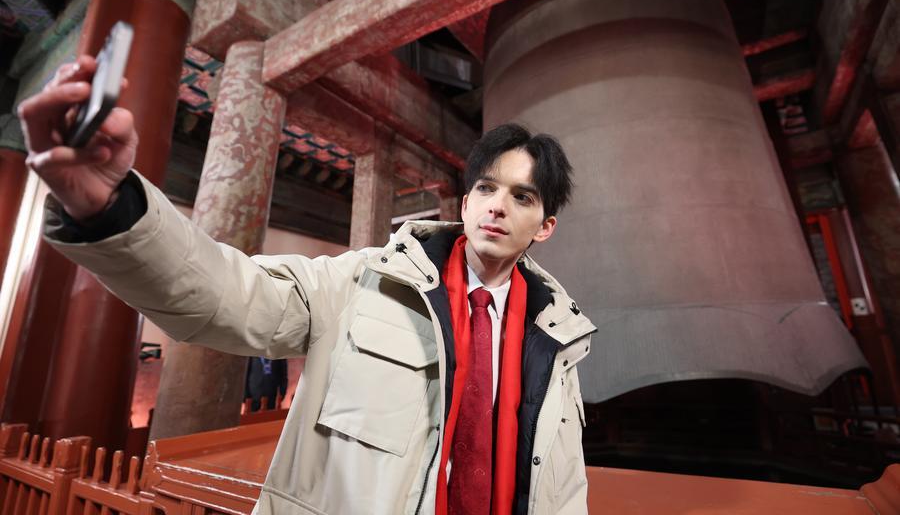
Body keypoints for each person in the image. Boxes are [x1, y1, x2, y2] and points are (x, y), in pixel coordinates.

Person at [19, 54, 596, 514]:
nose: (498, 206)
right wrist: (111, 210)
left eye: (522, 197)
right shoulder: (362, 282)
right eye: (487, 189)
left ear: (545, 226)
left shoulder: (558, 340)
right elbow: (230, 294)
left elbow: (563, 488)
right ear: (466, 202)